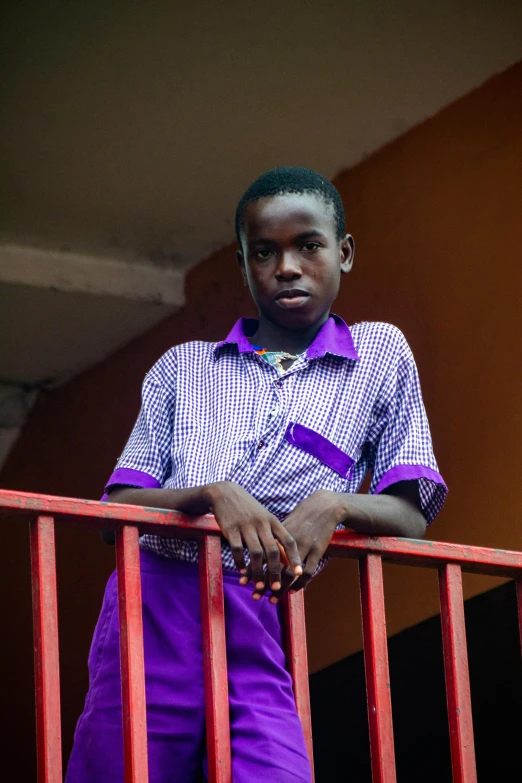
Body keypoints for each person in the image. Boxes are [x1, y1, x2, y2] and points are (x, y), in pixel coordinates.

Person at [66, 166, 447, 782]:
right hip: (155, 600)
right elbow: (118, 512)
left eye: (309, 245)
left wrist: (336, 503)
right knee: (129, 767)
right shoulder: (182, 367)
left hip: (259, 605)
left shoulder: (379, 354)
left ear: (343, 253)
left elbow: (411, 512)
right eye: (264, 252)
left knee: (278, 770)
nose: (287, 267)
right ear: (244, 266)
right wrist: (215, 495)